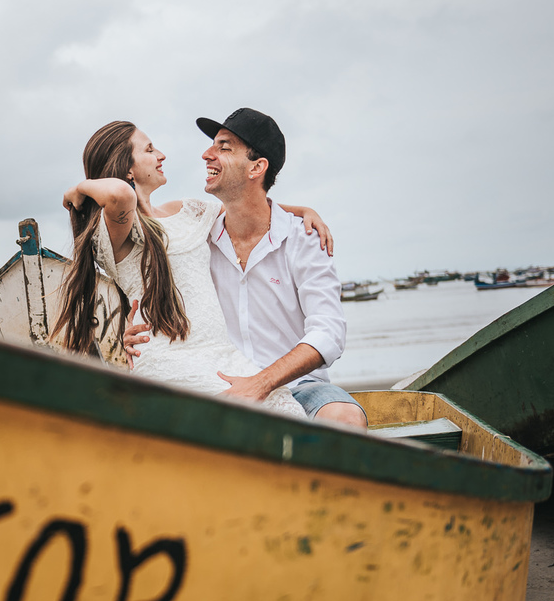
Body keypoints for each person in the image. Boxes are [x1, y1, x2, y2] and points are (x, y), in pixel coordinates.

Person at [56, 120, 327, 418]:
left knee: (289, 413)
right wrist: (81, 187)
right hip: (169, 359)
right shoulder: (117, 228)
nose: (161, 155)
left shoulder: (186, 210)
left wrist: (303, 211)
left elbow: (250, 208)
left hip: (222, 354)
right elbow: (120, 194)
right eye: (149, 149)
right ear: (127, 168)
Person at [124, 109, 366, 427]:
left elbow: (329, 333)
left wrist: (260, 383)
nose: (206, 154)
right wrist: (131, 331)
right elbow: (146, 284)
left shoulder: (303, 237)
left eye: (224, 147)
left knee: (347, 417)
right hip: (215, 384)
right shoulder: (197, 235)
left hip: (298, 388)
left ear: (257, 167)